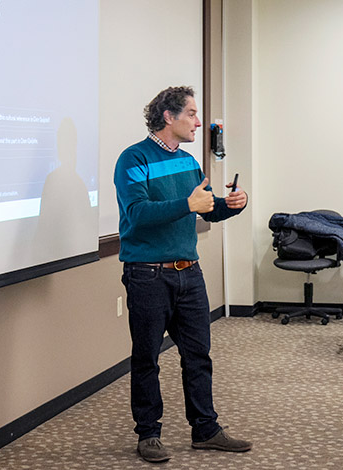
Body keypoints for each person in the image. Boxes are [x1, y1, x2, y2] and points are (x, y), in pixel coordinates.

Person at [114, 86, 252, 463]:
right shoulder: (133, 159)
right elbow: (136, 214)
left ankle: (205, 430)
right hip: (147, 274)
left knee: (198, 355)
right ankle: (149, 435)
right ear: (168, 117)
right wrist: (186, 204)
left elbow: (206, 209)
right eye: (191, 113)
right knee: (147, 358)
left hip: (189, 274)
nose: (197, 121)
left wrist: (231, 205)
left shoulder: (188, 161)